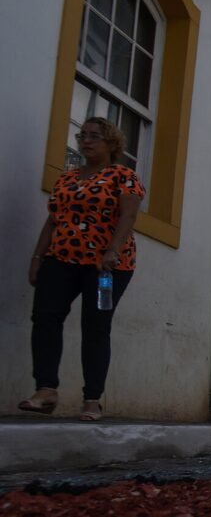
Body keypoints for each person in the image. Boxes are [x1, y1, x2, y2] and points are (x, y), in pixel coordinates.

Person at [20, 118, 145, 421]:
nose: (86, 141)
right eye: (82, 135)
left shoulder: (123, 176)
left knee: (96, 327)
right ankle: (46, 390)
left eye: (95, 137)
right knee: (46, 317)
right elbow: (53, 220)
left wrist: (113, 250)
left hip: (106, 266)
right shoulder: (67, 179)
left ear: (111, 143)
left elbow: (128, 216)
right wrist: (38, 258)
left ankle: (92, 400)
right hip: (61, 259)